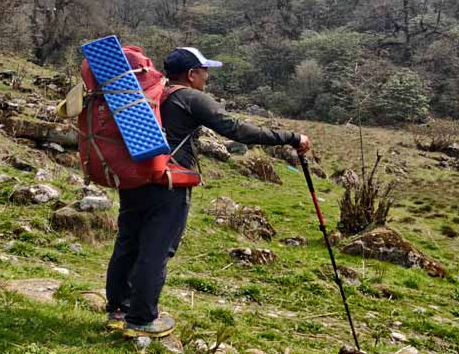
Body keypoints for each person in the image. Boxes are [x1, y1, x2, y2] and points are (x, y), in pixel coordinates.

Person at [105, 47, 311, 338]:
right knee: (156, 250)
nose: (207, 78)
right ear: (191, 74)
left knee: (128, 243)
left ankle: (117, 310)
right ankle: (141, 319)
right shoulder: (190, 97)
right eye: (205, 72)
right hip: (168, 183)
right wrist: (291, 137)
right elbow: (238, 130)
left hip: (133, 178)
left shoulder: (148, 93)